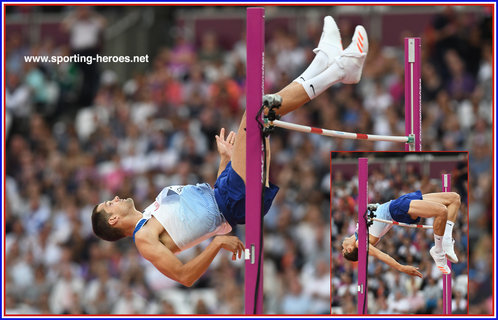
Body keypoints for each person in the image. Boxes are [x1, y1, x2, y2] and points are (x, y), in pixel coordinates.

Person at [92, 16, 369, 287]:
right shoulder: (143, 239)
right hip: (233, 202)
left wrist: (224, 161)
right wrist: (217, 245)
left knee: (262, 110)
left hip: (224, 193)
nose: (114, 198)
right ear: (114, 220)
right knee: (256, 113)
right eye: (109, 204)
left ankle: (326, 63)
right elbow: (185, 277)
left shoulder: (151, 214)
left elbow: (204, 217)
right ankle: (338, 70)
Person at [341, 190, 461, 277]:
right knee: (441, 211)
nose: (342, 245)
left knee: (454, 199)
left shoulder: (358, 230)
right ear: (350, 249)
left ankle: (446, 239)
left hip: (398, 202)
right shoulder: (360, 242)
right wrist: (402, 268)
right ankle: (438, 250)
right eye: (343, 249)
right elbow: (381, 255)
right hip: (396, 210)